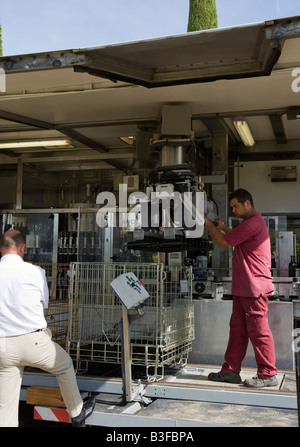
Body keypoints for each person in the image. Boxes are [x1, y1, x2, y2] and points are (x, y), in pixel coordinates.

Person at [0, 229, 95, 427]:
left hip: (3, 346)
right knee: (65, 366)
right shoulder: (35, 272)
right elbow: (43, 304)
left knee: (6, 405)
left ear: (1, 248)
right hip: (34, 341)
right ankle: (77, 414)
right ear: (22, 248)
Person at [204, 189, 277, 388]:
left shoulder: (253, 222)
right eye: (232, 207)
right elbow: (235, 237)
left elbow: (221, 242)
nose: (234, 210)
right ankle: (230, 371)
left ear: (248, 203)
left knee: (259, 331)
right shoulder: (249, 224)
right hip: (244, 288)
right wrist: (224, 227)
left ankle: (268, 373)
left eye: (236, 206)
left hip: (254, 288)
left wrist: (208, 224)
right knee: (237, 330)